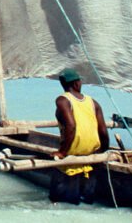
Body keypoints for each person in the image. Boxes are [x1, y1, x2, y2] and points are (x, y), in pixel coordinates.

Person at [50, 67, 110, 204]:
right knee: (87, 202)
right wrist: (102, 152)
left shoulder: (62, 100)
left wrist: (62, 152)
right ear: (77, 84)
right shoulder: (93, 103)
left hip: (70, 157)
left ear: (63, 84)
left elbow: (71, 126)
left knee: (57, 201)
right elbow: (103, 132)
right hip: (90, 157)